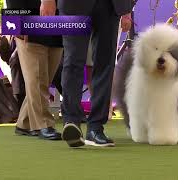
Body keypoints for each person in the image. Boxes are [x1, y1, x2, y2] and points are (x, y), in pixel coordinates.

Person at [57, 0, 132, 147]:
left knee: (105, 65)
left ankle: (96, 128)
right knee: (73, 60)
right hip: (74, 5)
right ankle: (71, 122)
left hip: (111, 5)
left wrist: (127, 9)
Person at [6, 0, 63, 140]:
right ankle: (44, 124)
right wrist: (15, 23)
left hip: (59, 15)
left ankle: (24, 123)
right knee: (37, 78)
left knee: (45, 78)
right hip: (28, 13)